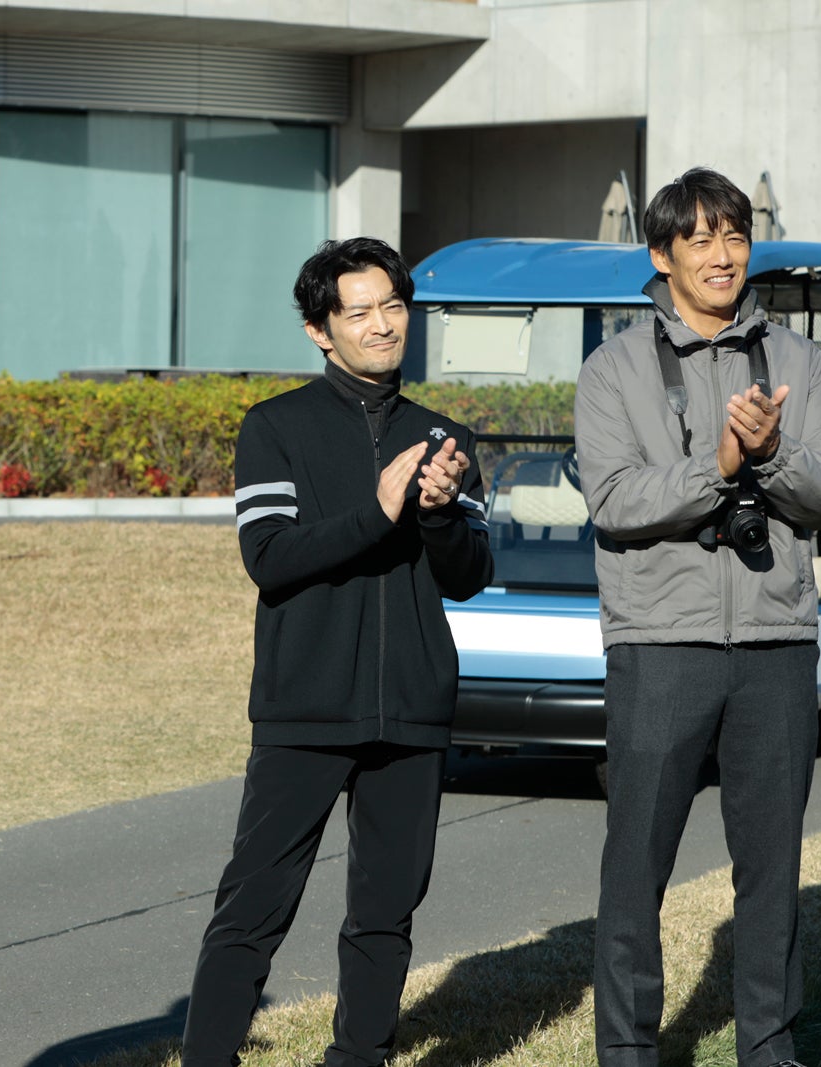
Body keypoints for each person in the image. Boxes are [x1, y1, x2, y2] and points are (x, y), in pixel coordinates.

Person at [181, 237, 494, 1067]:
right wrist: (380, 511)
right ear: (320, 330)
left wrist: (438, 512)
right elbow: (269, 557)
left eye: (393, 305)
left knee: (386, 914)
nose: (382, 324)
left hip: (413, 709)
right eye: (359, 312)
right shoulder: (274, 427)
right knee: (252, 909)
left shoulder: (445, 438)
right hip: (305, 706)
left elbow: (469, 576)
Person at [575, 168, 821, 1067]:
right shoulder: (614, 367)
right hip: (659, 643)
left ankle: (768, 1044)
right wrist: (719, 466)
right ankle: (628, 1048)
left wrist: (771, 455)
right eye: (698, 239)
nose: (721, 254)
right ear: (662, 256)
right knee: (636, 865)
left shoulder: (799, 360)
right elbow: (615, 500)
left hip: (776, 641)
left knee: (772, 868)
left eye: (734, 235)